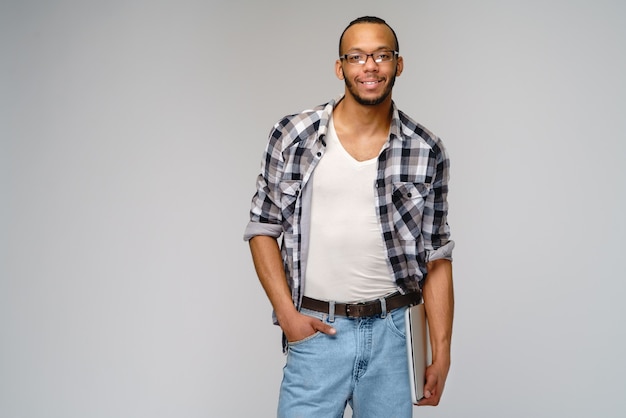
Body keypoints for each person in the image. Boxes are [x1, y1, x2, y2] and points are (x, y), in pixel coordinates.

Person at [244, 16, 454, 418]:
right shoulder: (293, 135)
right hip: (318, 333)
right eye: (357, 57)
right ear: (340, 67)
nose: (370, 66)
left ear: (399, 64)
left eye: (381, 55)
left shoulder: (426, 149)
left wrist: (441, 352)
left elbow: (438, 257)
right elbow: (262, 229)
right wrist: (289, 317)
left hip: (394, 335)